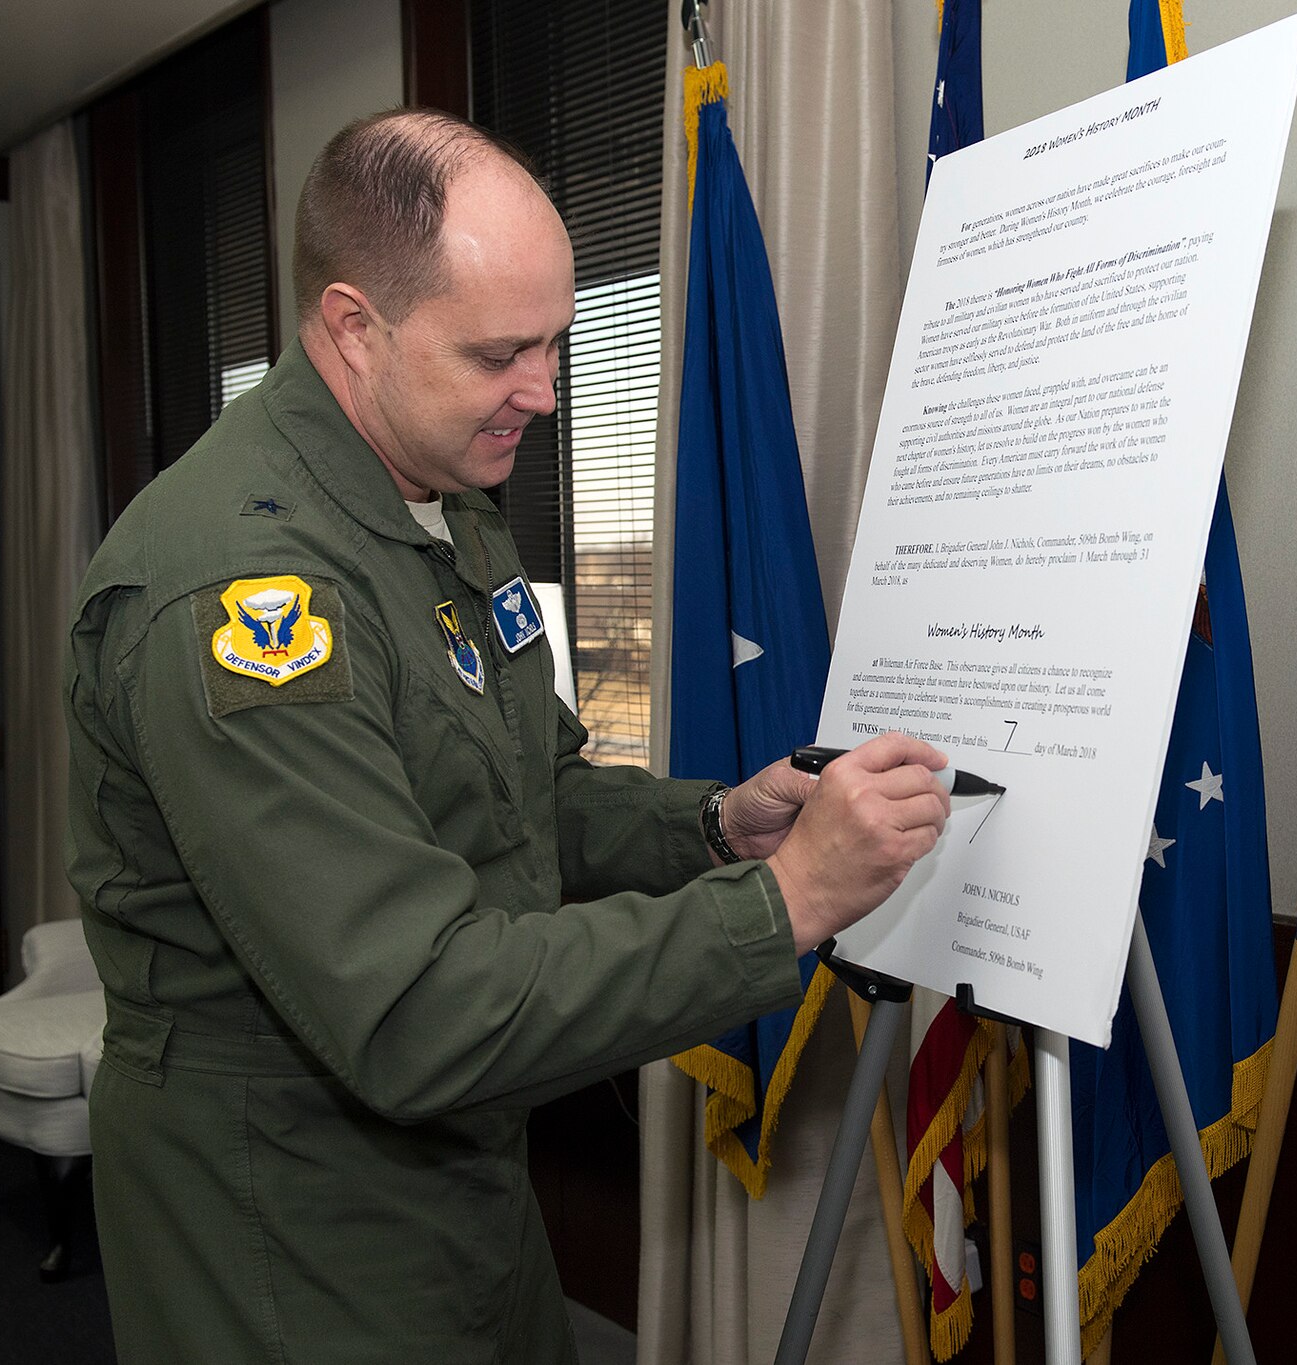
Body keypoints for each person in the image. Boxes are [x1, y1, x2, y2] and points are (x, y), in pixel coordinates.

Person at [62, 108, 949, 1364]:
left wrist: (710, 828)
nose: (543, 391)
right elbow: (414, 1009)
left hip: (463, 1182)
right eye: (498, 354)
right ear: (352, 328)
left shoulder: (441, 504)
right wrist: (784, 907)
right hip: (287, 1224)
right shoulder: (244, 597)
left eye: (555, 343)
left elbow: (524, 795)